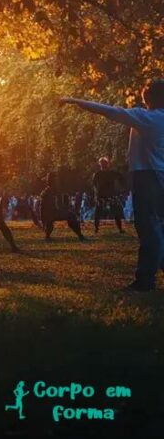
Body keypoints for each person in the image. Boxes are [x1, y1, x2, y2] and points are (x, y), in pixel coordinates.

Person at [62, 86, 164, 291]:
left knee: (148, 227)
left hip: (147, 176)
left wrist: (78, 101)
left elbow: (111, 111)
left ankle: (145, 280)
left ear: (149, 99)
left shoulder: (146, 118)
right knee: (160, 226)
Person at [38, 171, 87, 242]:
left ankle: (80, 235)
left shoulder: (54, 190)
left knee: (71, 215)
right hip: (50, 213)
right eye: (54, 179)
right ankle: (80, 236)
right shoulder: (48, 191)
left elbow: (60, 203)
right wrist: (43, 218)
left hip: (53, 212)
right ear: (51, 180)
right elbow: (44, 207)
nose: (56, 181)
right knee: (70, 216)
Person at [91, 156, 126, 234]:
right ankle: (119, 229)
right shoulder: (104, 173)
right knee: (112, 212)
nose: (103, 165)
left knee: (100, 212)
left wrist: (95, 195)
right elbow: (94, 185)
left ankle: (96, 229)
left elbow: (94, 185)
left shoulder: (100, 174)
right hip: (107, 195)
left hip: (106, 195)